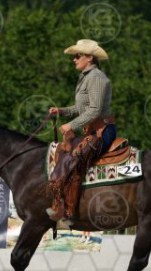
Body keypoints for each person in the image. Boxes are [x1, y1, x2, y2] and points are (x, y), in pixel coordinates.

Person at [47, 39, 117, 222]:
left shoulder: (96, 77)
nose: (74, 59)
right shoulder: (86, 76)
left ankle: (68, 212)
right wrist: (61, 111)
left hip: (103, 130)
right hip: (91, 130)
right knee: (65, 155)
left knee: (74, 159)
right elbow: (81, 108)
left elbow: (95, 110)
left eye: (78, 56)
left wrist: (71, 125)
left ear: (90, 58)